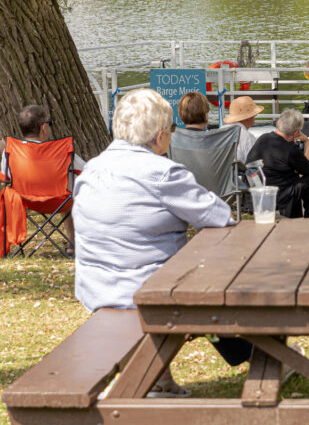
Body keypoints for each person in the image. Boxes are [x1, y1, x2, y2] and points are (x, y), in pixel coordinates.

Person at [72, 88, 248, 397]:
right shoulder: (160, 172)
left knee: (172, 269)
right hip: (146, 295)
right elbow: (220, 216)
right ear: (160, 136)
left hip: (96, 290)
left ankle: (159, 380)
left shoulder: (91, 170)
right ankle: (262, 355)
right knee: (219, 275)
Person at [0, 105, 86, 249]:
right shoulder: (63, 149)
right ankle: (72, 243)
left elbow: (5, 178)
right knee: (71, 188)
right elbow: (86, 170)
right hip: (61, 201)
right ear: (44, 128)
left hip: (25, 201)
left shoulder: (11, 150)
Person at [246, 108, 309, 218]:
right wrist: (306, 141)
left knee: (294, 179)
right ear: (296, 133)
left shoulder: (263, 138)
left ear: (278, 123)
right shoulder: (290, 149)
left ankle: (295, 218)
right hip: (277, 196)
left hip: (256, 193)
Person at [223, 95, 264, 163]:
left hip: (219, 172)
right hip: (237, 172)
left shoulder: (220, 131)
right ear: (248, 117)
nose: (254, 117)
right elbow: (255, 164)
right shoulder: (247, 136)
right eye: (254, 115)